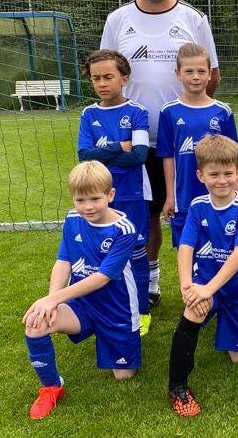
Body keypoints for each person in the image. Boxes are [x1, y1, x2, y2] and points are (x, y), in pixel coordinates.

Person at [101, 0, 221, 309]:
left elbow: (212, 74)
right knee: (145, 213)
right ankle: (150, 280)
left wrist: (193, 112)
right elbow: (106, 70)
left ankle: (206, 278)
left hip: (187, 139)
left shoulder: (192, 19)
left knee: (202, 206)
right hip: (134, 139)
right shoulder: (118, 20)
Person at [22, 161, 140, 419]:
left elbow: (103, 277)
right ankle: (52, 387)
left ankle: (121, 337)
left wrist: (54, 298)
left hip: (117, 310)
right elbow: (63, 261)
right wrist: (51, 301)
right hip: (82, 305)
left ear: (111, 195)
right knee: (35, 323)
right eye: (80, 199)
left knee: (123, 375)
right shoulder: (73, 219)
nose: (88, 206)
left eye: (96, 198)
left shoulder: (125, 229)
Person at [166, 135, 238, 416]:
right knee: (193, 311)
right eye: (213, 174)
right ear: (200, 175)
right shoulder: (197, 206)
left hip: (237, 289)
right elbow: (185, 247)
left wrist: (209, 289)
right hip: (204, 284)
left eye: (228, 173)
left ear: (237, 173)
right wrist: (189, 287)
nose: (221, 180)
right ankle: (177, 386)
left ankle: (223, 321)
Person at [76, 50, 154, 335]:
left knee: (136, 250)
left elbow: (140, 156)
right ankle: (102, 304)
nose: (102, 83)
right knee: (99, 249)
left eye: (108, 77)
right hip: (97, 195)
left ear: (124, 78)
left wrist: (104, 155)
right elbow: (84, 155)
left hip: (132, 193)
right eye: (96, 78)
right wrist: (118, 147)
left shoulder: (137, 112)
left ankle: (143, 309)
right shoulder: (89, 114)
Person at [156, 44, 238, 252]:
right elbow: (168, 157)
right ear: (178, 74)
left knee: (220, 249)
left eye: (201, 71)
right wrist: (170, 197)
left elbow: (233, 158)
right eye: (189, 71)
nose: (195, 77)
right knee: (187, 250)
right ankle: (189, 285)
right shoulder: (169, 112)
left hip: (219, 193)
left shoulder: (222, 111)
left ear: (210, 74)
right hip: (184, 196)